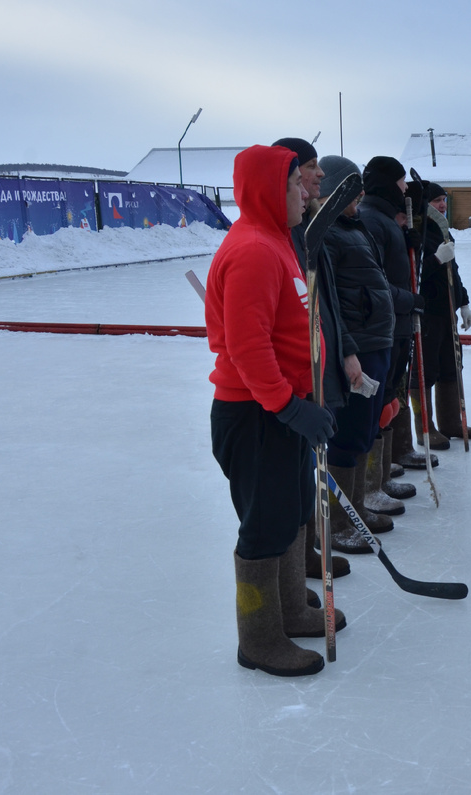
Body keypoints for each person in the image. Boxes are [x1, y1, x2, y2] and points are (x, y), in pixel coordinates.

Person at [206, 144, 344, 677]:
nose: (304, 193)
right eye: (295, 185)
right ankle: (259, 638)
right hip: (256, 416)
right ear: (271, 189)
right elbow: (248, 347)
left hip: (281, 411)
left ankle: (290, 610)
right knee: (264, 528)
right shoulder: (255, 251)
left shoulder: (279, 244)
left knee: (290, 514)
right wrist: (289, 407)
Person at [272, 137, 354, 584]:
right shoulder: (273, 240)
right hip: (282, 394)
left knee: (302, 484)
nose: (317, 178)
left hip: (310, 377)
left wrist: (341, 351)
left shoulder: (305, 231)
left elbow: (324, 304)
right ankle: (292, 579)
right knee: (280, 500)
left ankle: (306, 560)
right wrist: (290, 400)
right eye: (309, 169)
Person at [318, 155, 396, 552]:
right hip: (358, 348)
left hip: (376, 341)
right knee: (347, 439)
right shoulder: (327, 234)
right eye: (351, 188)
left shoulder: (356, 226)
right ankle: (339, 523)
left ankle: (357, 509)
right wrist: (347, 348)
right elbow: (327, 302)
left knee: (366, 431)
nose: (360, 195)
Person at [358, 156, 422, 515]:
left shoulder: (385, 220)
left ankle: (378, 480)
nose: (404, 189)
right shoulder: (372, 220)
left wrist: (413, 240)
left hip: (395, 326)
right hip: (382, 328)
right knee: (375, 407)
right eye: (400, 182)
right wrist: (410, 301)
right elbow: (377, 284)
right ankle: (368, 487)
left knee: (385, 404)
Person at [419, 182, 471, 442]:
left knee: (451, 365)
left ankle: (451, 422)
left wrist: (463, 302)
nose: (442, 205)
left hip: (447, 311)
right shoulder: (417, 232)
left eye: (444, 200)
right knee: (427, 369)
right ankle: (425, 429)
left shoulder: (444, 232)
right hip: (428, 312)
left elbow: (452, 272)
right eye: (436, 201)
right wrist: (435, 259)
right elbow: (417, 275)